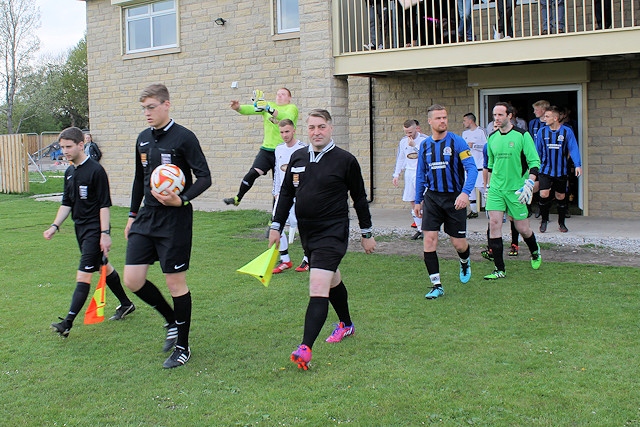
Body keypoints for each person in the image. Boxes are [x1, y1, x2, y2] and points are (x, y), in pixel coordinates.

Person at [268, 109, 376, 370]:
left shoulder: (345, 160)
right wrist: (276, 225)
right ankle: (346, 324)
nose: (316, 132)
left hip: (333, 232)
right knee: (332, 278)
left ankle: (305, 347)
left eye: (321, 127)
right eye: (312, 127)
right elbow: (285, 195)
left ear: (330, 128)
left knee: (318, 285)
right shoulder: (298, 157)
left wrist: (366, 233)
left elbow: (359, 198)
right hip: (309, 233)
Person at [124, 83, 212, 369]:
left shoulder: (184, 137)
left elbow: (204, 177)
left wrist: (182, 199)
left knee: (175, 283)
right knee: (133, 280)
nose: (146, 113)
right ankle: (170, 320)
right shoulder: (142, 139)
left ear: (166, 105)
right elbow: (140, 179)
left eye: (151, 107)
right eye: (143, 109)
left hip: (174, 221)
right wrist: (132, 215)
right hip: (146, 218)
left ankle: (183, 347)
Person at [45, 127, 135, 338]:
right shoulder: (69, 172)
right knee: (102, 266)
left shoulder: (96, 171)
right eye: (62, 147)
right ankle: (126, 303)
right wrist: (54, 226)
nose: (64, 151)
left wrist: (105, 233)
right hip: (80, 229)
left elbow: (104, 205)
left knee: (84, 274)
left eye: (68, 147)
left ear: (80, 145)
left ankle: (67, 322)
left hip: (95, 230)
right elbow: (66, 203)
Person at [414, 104, 477, 300]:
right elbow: (420, 174)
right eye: (438, 118)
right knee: (429, 239)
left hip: (454, 199)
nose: (443, 121)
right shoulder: (425, 145)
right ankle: (436, 285)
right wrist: (418, 200)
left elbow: (472, 169)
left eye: (445, 117)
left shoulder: (457, 142)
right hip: (432, 197)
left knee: (458, 244)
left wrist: (465, 193)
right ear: (430, 121)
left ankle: (465, 260)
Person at [484, 102, 542, 280]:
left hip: (516, 190)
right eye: (494, 115)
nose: (497, 118)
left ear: (510, 116)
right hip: (496, 189)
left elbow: (534, 163)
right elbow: (491, 166)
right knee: (494, 224)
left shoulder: (522, 135)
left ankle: (534, 251)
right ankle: (499, 269)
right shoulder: (492, 138)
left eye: (500, 115)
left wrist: (529, 184)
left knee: (522, 228)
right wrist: (488, 186)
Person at [224, 88, 299, 206]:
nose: (279, 96)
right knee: (253, 173)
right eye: (278, 94)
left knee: (278, 185)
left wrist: (269, 109)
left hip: (282, 152)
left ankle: (275, 217)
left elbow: (286, 118)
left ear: (289, 98)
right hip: (266, 150)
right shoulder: (268, 105)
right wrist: (238, 108)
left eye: (283, 94)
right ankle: (237, 198)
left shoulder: (291, 108)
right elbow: (251, 109)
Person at [535, 105, 582, 233]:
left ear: (555, 118)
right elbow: (536, 151)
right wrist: (533, 167)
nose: (544, 119)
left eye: (547, 116)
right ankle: (544, 221)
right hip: (545, 170)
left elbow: (573, 148)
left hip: (561, 170)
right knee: (544, 194)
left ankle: (562, 223)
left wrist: (578, 164)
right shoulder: (541, 132)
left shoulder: (567, 131)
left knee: (560, 196)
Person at [271, 119, 310, 274]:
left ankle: (308, 258)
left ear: (294, 130)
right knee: (276, 225)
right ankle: (285, 260)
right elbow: (277, 173)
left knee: (302, 225)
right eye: (281, 132)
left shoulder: (303, 149)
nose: (284, 135)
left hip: (299, 195)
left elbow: (308, 174)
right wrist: (275, 192)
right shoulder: (278, 149)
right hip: (282, 195)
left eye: (287, 131)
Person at [392, 119, 426, 240]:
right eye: (406, 133)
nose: (408, 135)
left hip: (421, 173)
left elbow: (427, 156)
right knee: (412, 200)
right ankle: (419, 229)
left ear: (416, 128)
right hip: (409, 172)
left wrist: (415, 146)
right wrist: (396, 174)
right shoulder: (403, 142)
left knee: (421, 200)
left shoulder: (424, 140)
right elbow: (401, 158)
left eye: (410, 132)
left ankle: (427, 228)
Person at [461, 112, 487, 219]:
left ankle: (490, 208)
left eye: (464, 120)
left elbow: (487, 146)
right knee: (469, 188)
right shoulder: (464, 133)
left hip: (480, 164)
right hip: (468, 165)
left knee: (482, 187)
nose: (464, 123)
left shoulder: (481, 131)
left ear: (470, 120)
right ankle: (473, 210)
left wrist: (475, 145)